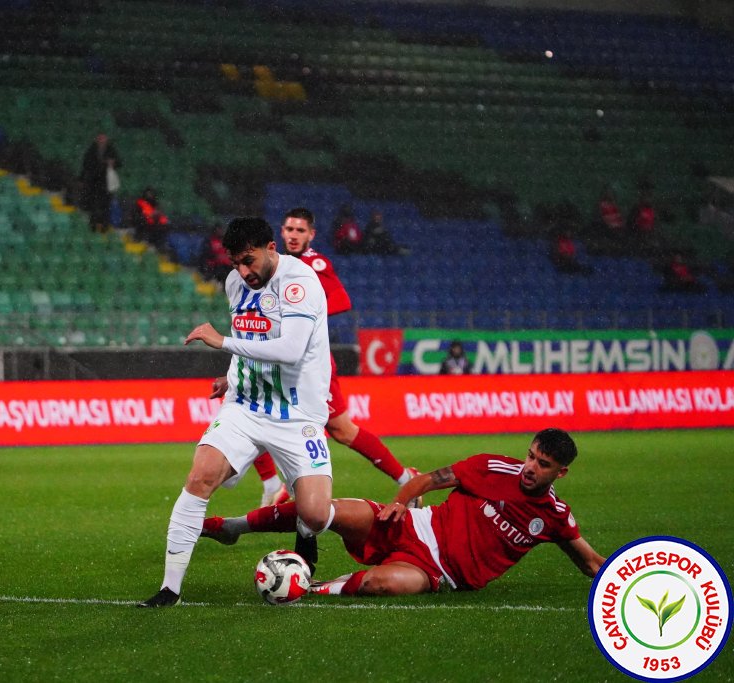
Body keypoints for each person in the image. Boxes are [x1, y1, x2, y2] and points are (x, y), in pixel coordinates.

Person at [138, 217, 334, 608]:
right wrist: (231, 376)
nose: (243, 272)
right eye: (235, 263)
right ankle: (170, 589)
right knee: (200, 476)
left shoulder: (300, 284)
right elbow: (251, 337)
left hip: (297, 415)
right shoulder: (235, 283)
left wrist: (221, 341)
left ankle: (263, 529)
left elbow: (290, 350)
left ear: (271, 248)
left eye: (249, 260)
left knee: (314, 514)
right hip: (245, 406)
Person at [202, 428, 605, 598]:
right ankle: (233, 526)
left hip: (438, 573)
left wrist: (637, 580)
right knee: (321, 509)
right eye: (531, 456)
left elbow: (590, 563)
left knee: (380, 585)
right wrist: (398, 503)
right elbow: (426, 481)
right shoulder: (491, 467)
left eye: (543, 464)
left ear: (560, 472)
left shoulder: (554, 516)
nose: (531, 467)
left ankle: (306, 587)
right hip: (415, 524)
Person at [249, 207, 420, 507]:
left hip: (311, 364)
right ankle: (273, 485)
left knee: (342, 430)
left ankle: (406, 479)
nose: (293, 235)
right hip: (280, 358)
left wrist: (300, 315)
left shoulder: (314, 264)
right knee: (255, 413)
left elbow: (341, 301)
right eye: (289, 229)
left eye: (300, 230)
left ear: (311, 235)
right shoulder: (277, 265)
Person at [78, 132, 121, 233]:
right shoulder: (91, 150)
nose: (102, 140)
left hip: (106, 181)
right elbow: (86, 165)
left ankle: (104, 225)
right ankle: (93, 224)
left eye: (103, 138)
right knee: (93, 204)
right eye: (100, 138)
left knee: (106, 205)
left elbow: (119, 162)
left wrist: (112, 163)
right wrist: (82, 178)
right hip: (94, 181)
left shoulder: (111, 150)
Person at [130, 186, 172, 256]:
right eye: (148, 194)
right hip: (143, 226)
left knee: (163, 229)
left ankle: (160, 249)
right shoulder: (139, 203)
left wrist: (157, 216)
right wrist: (148, 216)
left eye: (151, 194)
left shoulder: (156, 205)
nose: (149, 195)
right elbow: (136, 217)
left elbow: (163, 218)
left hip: (155, 227)